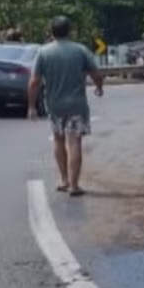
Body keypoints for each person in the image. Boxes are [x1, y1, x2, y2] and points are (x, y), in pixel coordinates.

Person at [27, 16, 105, 197]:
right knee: (74, 141)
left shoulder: (43, 52)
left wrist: (31, 106)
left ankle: (63, 180)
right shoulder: (81, 50)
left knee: (58, 139)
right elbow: (96, 74)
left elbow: (34, 82)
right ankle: (74, 185)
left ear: (51, 32)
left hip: (54, 106)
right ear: (69, 32)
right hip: (77, 105)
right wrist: (99, 87)